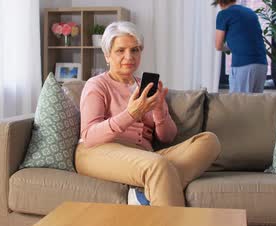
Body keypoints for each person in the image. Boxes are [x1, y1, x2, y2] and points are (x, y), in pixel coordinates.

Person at [75, 21, 221, 206]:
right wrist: (131, 114)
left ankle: (144, 192)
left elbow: (167, 137)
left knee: (209, 141)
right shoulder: (97, 85)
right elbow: (89, 136)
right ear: (107, 55)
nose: (129, 56)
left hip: (144, 157)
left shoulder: (145, 85)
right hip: (98, 152)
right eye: (121, 50)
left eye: (135, 50)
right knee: (158, 165)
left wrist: (159, 110)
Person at [212, 0, 268, 93]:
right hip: (261, 64)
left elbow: (218, 45)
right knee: (256, 106)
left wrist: (228, 47)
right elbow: (248, 38)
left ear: (220, 2)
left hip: (243, 65)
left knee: (238, 106)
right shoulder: (250, 12)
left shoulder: (223, 14)